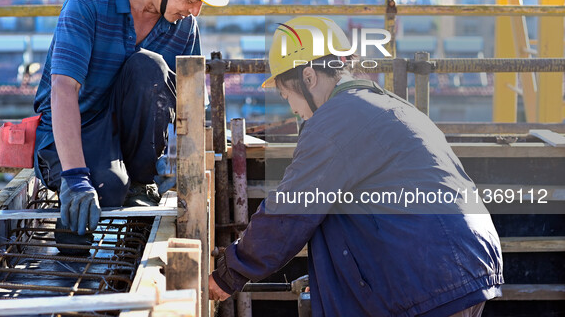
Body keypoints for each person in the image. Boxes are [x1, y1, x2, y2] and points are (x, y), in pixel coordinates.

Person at [209, 16, 503, 316]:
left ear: (309, 77)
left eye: (288, 96)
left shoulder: (336, 119)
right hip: (457, 265)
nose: (294, 110)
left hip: (434, 276)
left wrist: (229, 273)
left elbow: (292, 208)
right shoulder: (385, 104)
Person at [33, 0, 239, 244]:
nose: (195, 10)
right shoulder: (88, 2)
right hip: (73, 131)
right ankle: (76, 243)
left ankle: (142, 183)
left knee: (150, 69)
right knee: (104, 190)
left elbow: (185, 100)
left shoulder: (183, 26)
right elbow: (63, 90)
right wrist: (74, 177)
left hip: (127, 139)